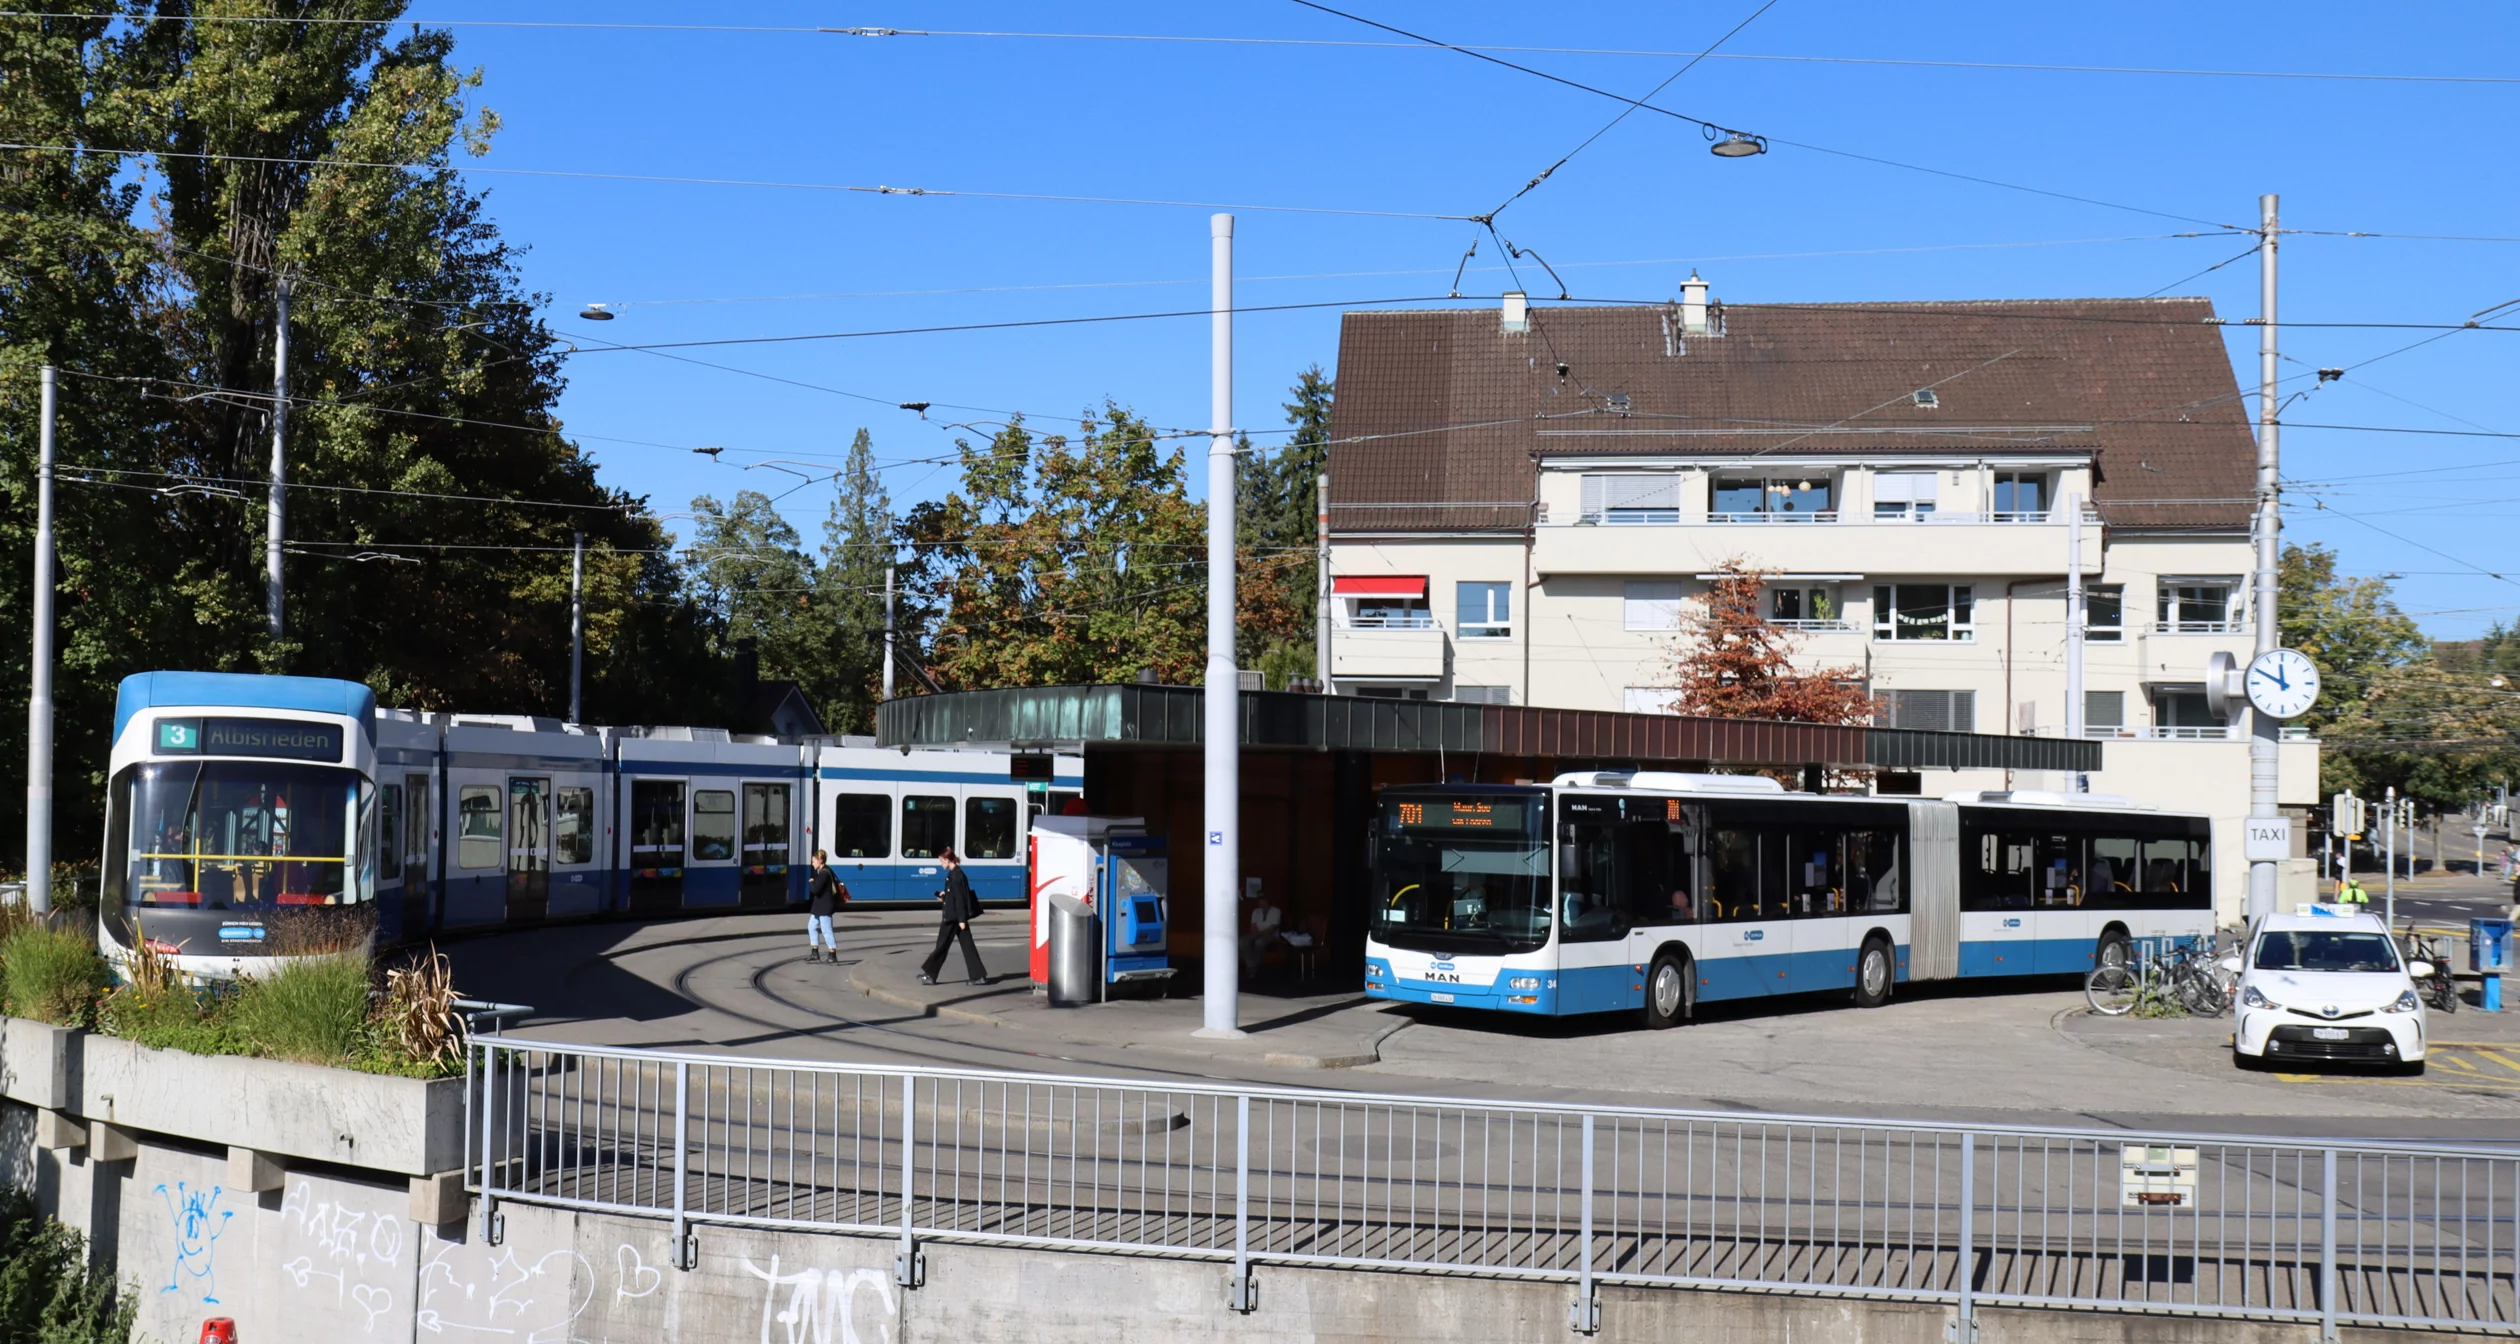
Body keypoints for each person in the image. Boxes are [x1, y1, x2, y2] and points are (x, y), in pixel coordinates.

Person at [917, 848, 987, 986]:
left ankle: (930, 975)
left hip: (953, 918)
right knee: (968, 947)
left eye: (942, 861)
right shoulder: (955, 874)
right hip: (956, 916)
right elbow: (955, 896)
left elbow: (961, 900)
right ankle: (979, 976)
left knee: (941, 946)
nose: (941, 864)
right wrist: (945, 896)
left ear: (948, 860)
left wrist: (962, 919)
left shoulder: (956, 876)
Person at [805, 850, 845, 964]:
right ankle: (814, 952)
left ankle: (832, 954)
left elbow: (815, 890)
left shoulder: (824, 873)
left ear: (820, 860)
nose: (812, 863)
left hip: (825, 906)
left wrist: (811, 882)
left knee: (826, 930)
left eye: (813, 861)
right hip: (819, 906)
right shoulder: (825, 871)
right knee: (811, 926)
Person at [1239, 887, 1283, 979]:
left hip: (1271, 936)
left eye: (1262, 899)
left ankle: (1255, 966)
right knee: (1242, 941)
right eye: (1259, 900)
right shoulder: (1256, 911)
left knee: (1259, 942)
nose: (1259, 902)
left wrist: (1259, 935)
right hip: (1256, 934)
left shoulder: (1276, 911)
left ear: (1267, 900)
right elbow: (1253, 927)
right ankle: (1251, 965)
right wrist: (1256, 934)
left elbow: (1272, 929)